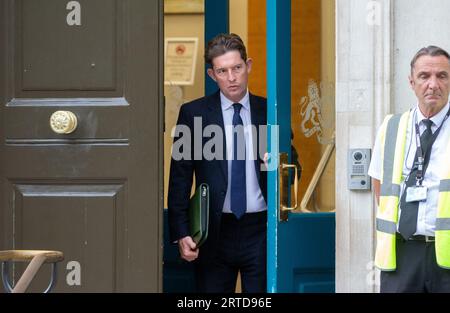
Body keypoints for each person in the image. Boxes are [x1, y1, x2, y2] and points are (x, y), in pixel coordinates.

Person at [168, 33, 268, 293]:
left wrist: (274, 163)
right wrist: (181, 233)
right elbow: (180, 176)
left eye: (237, 68)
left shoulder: (269, 111)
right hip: (213, 232)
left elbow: (291, 168)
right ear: (212, 75)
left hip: (260, 231)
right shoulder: (193, 113)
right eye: (223, 71)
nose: (232, 78)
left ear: (249, 66)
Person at [368, 45, 450, 292]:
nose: (433, 84)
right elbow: (379, 184)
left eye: (442, 76)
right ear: (411, 82)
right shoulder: (391, 127)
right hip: (402, 255)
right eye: (425, 76)